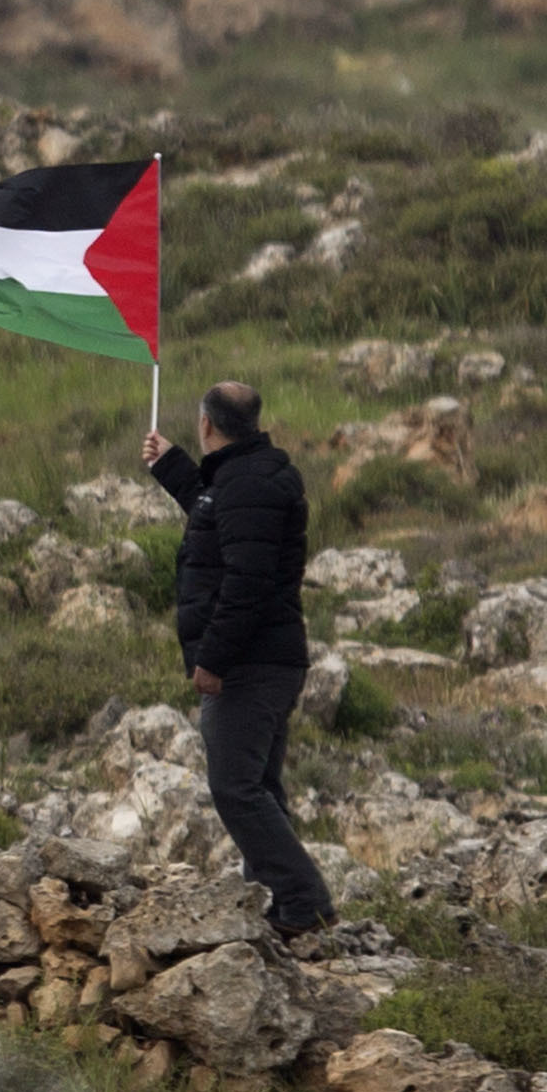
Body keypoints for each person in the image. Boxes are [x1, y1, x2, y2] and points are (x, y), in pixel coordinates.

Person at [145, 384, 333, 940]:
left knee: (235, 788)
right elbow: (216, 516)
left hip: (250, 664)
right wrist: (171, 465)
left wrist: (214, 658)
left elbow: (246, 581)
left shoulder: (247, 481)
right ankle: (281, 904)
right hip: (271, 659)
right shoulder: (248, 475)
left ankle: (304, 899)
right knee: (260, 787)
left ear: (208, 424)